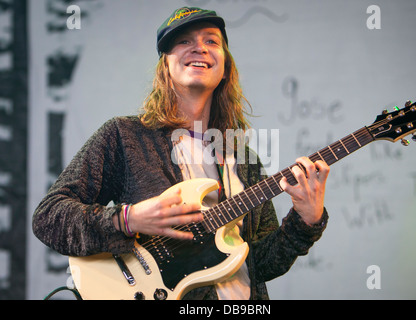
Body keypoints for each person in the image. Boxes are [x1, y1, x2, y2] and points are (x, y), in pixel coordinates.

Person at [32, 7, 330, 300]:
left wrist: (305, 221)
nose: (199, 48)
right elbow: (48, 218)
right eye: (184, 41)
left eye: (211, 41)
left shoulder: (245, 161)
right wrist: (127, 219)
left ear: (225, 67)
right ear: (166, 66)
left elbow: (261, 264)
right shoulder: (125, 137)